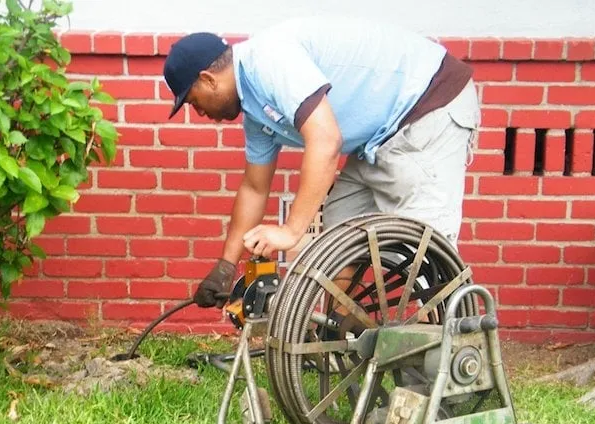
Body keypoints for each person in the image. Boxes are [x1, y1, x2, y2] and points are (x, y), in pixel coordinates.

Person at [163, 17, 480, 308]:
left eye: (193, 101)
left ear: (208, 79)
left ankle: (440, 360)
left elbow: (326, 142)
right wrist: (226, 267)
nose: (199, 112)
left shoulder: (269, 61)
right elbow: (254, 188)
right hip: (380, 136)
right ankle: (339, 333)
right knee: (340, 230)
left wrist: (290, 230)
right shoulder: (254, 111)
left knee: (423, 254)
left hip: (427, 106)